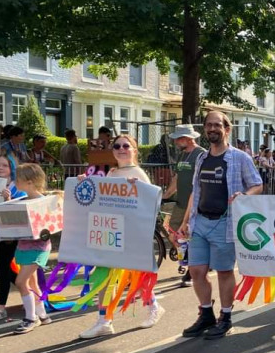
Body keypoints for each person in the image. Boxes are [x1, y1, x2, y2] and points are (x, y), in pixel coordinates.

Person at [180, 111, 263, 340]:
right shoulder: (201, 158)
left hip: (224, 223)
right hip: (200, 223)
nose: (212, 129)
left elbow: (257, 185)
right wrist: (186, 221)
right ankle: (206, 313)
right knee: (197, 271)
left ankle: (225, 317)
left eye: (218, 125)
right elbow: (195, 192)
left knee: (225, 271)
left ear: (227, 129)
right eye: (209, 125)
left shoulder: (240, 158)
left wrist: (244, 195)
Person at [79, 135, 166, 338]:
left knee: (136, 275)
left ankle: (154, 306)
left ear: (135, 150)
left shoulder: (139, 173)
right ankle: (104, 320)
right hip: (111, 232)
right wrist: (85, 183)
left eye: (126, 145)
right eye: (117, 146)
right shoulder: (112, 172)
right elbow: (103, 198)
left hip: (131, 233)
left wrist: (135, 188)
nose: (121, 148)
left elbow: (152, 201)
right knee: (102, 275)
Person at [11, 164, 54, 333]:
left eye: (18, 178)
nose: (15, 181)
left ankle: (30, 318)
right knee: (31, 282)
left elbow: (49, 227)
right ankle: (42, 315)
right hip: (24, 246)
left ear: (29, 182)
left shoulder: (42, 202)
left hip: (38, 248)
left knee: (21, 281)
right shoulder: (23, 200)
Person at [162, 124, 206, 288]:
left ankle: (192, 270)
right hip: (181, 202)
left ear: (187, 138)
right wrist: (165, 195)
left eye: (178, 138)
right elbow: (177, 178)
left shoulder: (201, 154)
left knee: (188, 236)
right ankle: (191, 260)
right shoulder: (182, 155)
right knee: (173, 233)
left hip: (195, 204)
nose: (175, 142)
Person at [0, 155, 26, 321]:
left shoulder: (18, 187)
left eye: (4, 165)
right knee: (5, 270)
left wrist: (8, 200)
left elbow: (20, 212)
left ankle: (1, 307)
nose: (0, 168)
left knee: (4, 270)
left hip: (9, 234)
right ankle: (30, 293)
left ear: (11, 168)